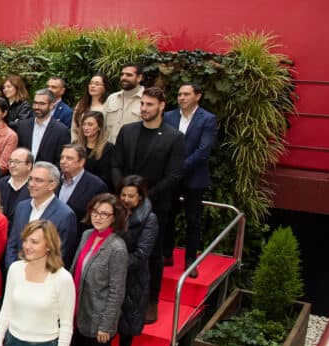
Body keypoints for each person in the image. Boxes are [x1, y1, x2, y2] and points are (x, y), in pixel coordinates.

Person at [110, 87, 184, 323]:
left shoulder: (174, 137)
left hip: (156, 206)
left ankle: (151, 300)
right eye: (142, 104)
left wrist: (143, 196)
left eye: (150, 105)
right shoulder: (128, 131)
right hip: (122, 205)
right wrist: (123, 193)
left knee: (152, 255)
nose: (144, 109)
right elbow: (115, 164)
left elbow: (173, 175)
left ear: (162, 106)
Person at [59, 194, 128, 346]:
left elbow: (117, 290)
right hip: (77, 314)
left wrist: (107, 326)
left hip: (98, 320)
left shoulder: (117, 247)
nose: (99, 218)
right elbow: (74, 270)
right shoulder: (87, 235)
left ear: (115, 218)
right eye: (96, 212)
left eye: (105, 214)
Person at [163, 82, 218, 275]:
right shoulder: (169, 116)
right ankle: (167, 253)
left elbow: (203, 151)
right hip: (171, 177)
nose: (181, 98)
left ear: (198, 96)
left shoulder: (207, 119)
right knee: (168, 215)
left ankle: (190, 260)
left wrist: (179, 168)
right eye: (179, 94)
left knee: (192, 220)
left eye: (186, 94)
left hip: (194, 178)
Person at [113, 176, 158, 346]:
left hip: (133, 277)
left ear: (140, 196)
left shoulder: (149, 218)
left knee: (127, 323)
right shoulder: (114, 212)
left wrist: (115, 264)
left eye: (131, 195)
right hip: (111, 275)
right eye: (123, 195)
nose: (126, 199)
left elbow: (142, 253)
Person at [5, 162, 78, 272]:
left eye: (38, 180)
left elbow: (61, 254)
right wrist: (13, 268)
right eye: (30, 179)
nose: (32, 184)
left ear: (52, 185)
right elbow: (13, 243)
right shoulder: (22, 207)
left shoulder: (65, 215)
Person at [16, 89, 71, 165]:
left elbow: (61, 160)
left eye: (42, 104)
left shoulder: (61, 131)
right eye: (35, 103)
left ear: (51, 106)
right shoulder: (22, 125)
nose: (37, 107)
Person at [57, 143, 109, 222]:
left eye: (69, 158)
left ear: (81, 162)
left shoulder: (96, 186)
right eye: (62, 157)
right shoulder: (54, 179)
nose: (63, 161)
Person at [103, 64, 144, 142]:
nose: (123, 77)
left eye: (129, 75)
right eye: (122, 74)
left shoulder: (147, 100)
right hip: (110, 150)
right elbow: (102, 125)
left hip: (133, 151)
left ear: (139, 78)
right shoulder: (112, 98)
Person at [78, 111, 115, 189]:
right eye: (84, 124)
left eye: (90, 124)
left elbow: (106, 177)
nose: (85, 128)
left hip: (96, 188)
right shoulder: (76, 145)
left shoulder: (108, 148)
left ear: (99, 127)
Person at [72, 74, 111, 142]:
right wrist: (75, 144)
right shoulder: (81, 104)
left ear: (105, 87)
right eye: (91, 83)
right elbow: (74, 128)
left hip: (100, 145)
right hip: (80, 145)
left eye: (97, 84)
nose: (92, 86)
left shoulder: (109, 106)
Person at [0, 148, 33, 220]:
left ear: (29, 165)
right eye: (11, 161)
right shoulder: (0, 183)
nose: (12, 165)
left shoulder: (34, 187)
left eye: (17, 162)